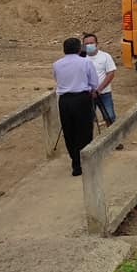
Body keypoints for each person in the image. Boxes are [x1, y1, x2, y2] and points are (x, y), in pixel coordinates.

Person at [52, 37, 98, 176]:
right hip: (81, 99)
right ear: (79, 49)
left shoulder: (57, 64)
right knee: (84, 131)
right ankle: (86, 161)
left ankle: (76, 163)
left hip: (64, 101)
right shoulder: (86, 62)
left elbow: (57, 79)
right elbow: (94, 83)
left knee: (69, 130)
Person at [83, 33, 117, 126]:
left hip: (104, 93)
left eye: (91, 43)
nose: (89, 45)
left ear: (97, 43)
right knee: (87, 119)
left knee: (110, 117)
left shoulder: (105, 56)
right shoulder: (81, 58)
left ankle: (112, 134)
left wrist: (99, 90)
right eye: (86, 44)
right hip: (87, 94)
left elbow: (111, 73)